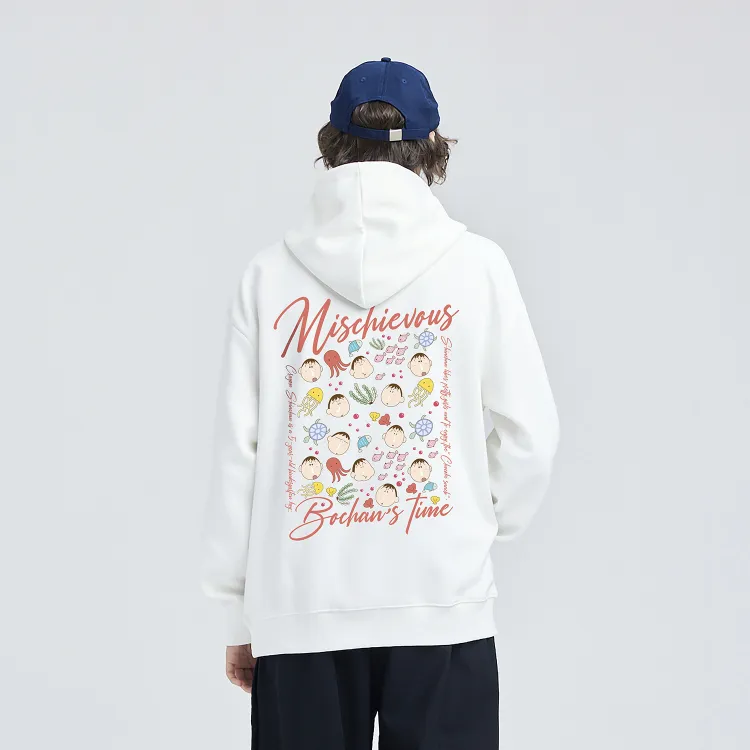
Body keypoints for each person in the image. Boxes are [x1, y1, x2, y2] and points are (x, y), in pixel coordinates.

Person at [201, 57, 559, 750]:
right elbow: (531, 435)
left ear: (331, 144)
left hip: (301, 606)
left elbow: (236, 456)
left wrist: (237, 615)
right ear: (433, 147)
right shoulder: (477, 267)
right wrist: (475, 522)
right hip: (440, 601)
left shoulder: (268, 276)